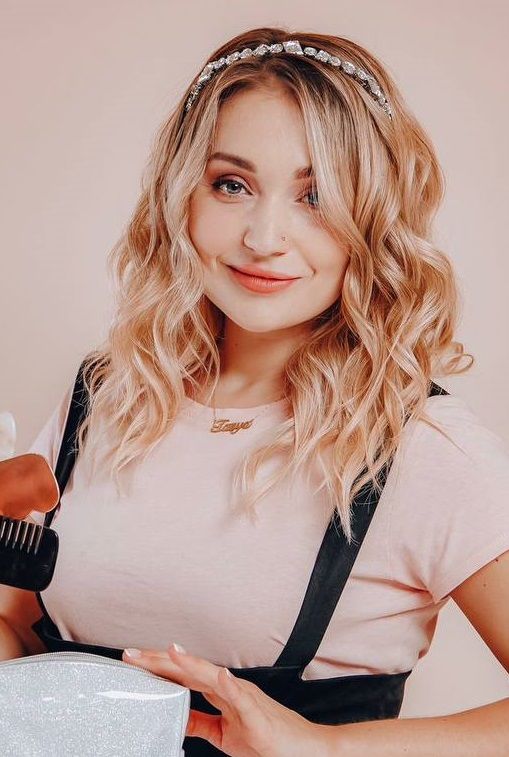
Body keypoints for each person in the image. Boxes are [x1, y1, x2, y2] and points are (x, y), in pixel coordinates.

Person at [2, 26, 508, 756]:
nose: (264, 237)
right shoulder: (108, 395)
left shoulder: (422, 448)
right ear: (183, 194)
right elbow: (20, 633)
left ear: (373, 219)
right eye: (232, 185)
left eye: (316, 196)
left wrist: (326, 749)